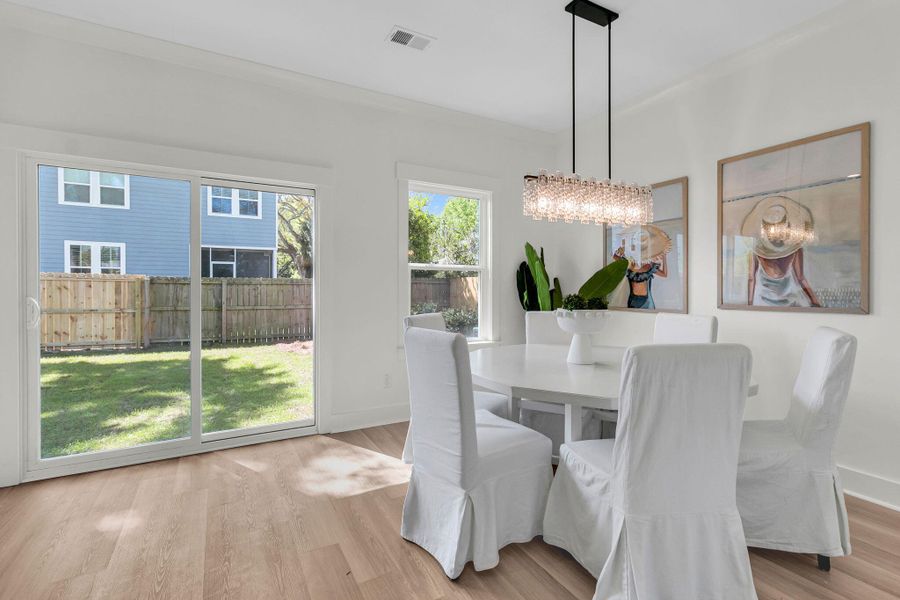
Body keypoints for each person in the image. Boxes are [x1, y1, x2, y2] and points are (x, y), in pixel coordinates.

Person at [741, 196, 820, 308]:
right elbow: (801, 278)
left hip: (769, 304)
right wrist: (815, 302)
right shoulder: (758, 250)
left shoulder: (757, 249)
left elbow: (751, 279)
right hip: (784, 304)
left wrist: (749, 305)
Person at [613, 224, 671, 310]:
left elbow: (664, 274)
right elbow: (615, 256)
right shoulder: (629, 263)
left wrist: (664, 257)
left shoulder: (649, 266)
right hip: (633, 301)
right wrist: (622, 250)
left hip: (647, 302)